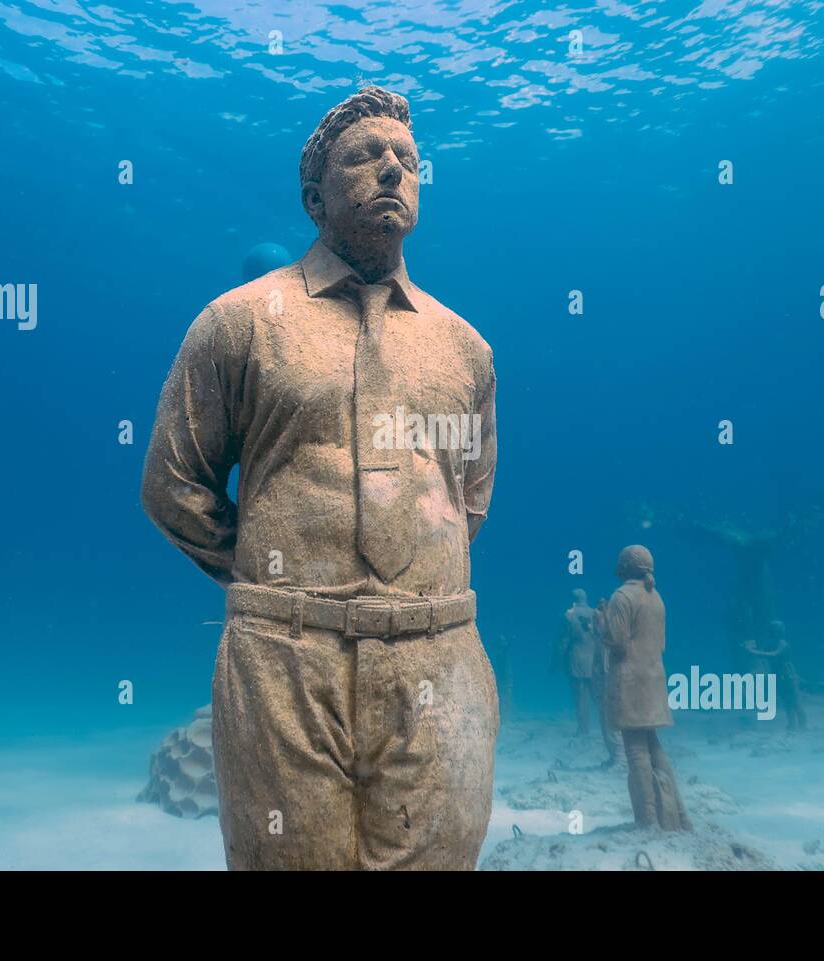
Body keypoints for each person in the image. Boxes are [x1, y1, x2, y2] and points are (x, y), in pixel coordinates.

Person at [141, 86, 499, 870]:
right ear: (314, 196)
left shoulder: (465, 348)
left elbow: (466, 495)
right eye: (365, 157)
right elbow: (174, 482)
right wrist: (279, 576)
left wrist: (405, 580)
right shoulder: (237, 323)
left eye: (407, 160)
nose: (392, 171)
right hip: (285, 667)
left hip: (438, 661)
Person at [604, 545, 692, 832]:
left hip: (630, 681)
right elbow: (661, 643)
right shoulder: (657, 597)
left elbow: (617, 641)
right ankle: (678, 816)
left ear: (625, 566)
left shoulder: (622, 597)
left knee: (635, 750)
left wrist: (600, 624)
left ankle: (649, 820)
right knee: (654, 746)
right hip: (654, 680)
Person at [744, 619, 806, 731]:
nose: (771, 632)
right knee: (787, 701)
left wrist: (753, 652)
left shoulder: (782, 643)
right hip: (779, 676)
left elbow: (774, 655)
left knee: (794, 701)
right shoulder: (772, 644)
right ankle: (792, 724)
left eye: (773, 630)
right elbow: (763, 656)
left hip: (787, 675)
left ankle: (802, 725)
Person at [559, 589, 597, 737]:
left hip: (576, 661)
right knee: (597, 696)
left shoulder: (569, 615)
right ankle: (607, 727)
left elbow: (564, 641)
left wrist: (558, 661)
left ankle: (583, 729)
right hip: (594, 660)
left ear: (573, 600)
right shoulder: (595, 613)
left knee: (580, 697)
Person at [592, 598, 624, 766]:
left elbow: (605, 670)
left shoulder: (607, 643)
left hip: (609, 691)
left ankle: (619, 758)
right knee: (605, 723)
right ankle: (614, 757)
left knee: (611, 723)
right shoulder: (600, 640)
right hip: (603, 690)